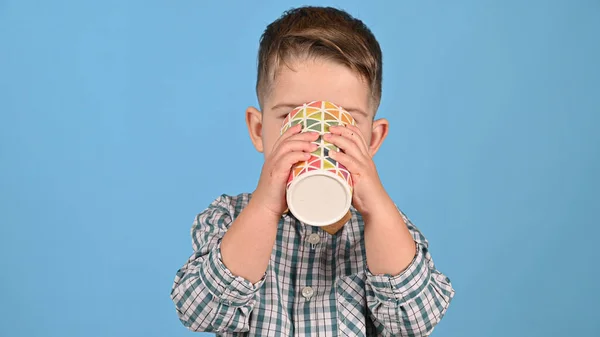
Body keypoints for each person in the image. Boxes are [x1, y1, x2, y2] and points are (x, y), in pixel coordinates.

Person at [171, 6, 454, 336]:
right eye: (293, 118)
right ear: (259, 129)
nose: (317, 138)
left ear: (372, 140)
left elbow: (416, 320)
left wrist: (377, 209)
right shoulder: (227, 217)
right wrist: (265, 207)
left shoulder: (387, 226)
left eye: (343, 121)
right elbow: (201, 311)